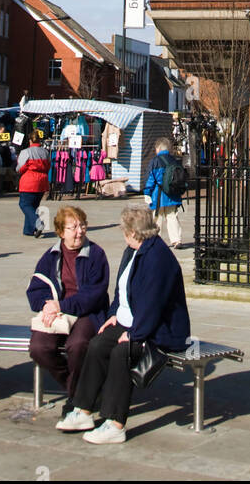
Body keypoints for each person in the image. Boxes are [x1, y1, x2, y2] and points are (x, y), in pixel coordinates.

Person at [57, 205, 189, 444]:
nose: (124, 235)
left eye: (125, 231)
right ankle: (83, 409)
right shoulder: (134, 250)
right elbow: (121, 290)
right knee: (96, 345)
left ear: (134, 233)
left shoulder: (157, 258)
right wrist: (113, 314)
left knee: (121, 353)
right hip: (132, 322)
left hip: (159, 330)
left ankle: (115, 422)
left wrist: (135, 333)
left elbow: (153, 303)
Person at [27, 206, 110, 416]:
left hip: (87, 313)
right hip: (59, 314)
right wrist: (47, 305)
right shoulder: (51, 257)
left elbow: (94, 295)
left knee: (78, 345)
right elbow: (35, 289)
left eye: (82, 225)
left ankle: (75, 398)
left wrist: (61, 306)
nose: (79, 231)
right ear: (61, 232)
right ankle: (80, 387)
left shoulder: (96, 255)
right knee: (39, 348)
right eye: (73, 227)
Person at [144, 138, 186, 249]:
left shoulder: (155, 161)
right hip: (172, 194)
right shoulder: (174, 160)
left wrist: (147, 192)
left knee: (157, 218)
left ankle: (155, 241)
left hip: (158, 195)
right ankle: (176, 240)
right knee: (172, 217)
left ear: (158, 149)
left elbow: (150, 179)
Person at [17, 132, 51, 236]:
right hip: (42, 181)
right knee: (34, 205)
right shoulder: (45, 152)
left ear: (30, 141)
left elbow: (20, 168)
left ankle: (38, 223)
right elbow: (48, 167)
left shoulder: (25, 152)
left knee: (24, 204)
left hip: (29, 181)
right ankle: (28, 230)